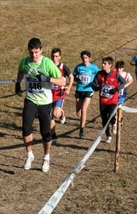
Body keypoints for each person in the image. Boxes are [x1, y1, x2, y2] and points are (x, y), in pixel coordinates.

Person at [14, 38, 65, 173]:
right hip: (31, 100)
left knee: (45, 133)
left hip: (45, 103)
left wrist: (48, 79)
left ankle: (46, 157)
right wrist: (17, 84)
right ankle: (29, 154)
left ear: (41, 50)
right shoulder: (24, 62)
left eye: (36, 52)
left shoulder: (47, 64)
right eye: (31, 52)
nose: (34, 55)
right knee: (25, 129)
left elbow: (62, 82)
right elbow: (20, 71)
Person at [92, 57, 126, 144]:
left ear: (110, 65)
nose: (102, 65)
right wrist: (97, 87)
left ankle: (114, 123)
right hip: (103, 100)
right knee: (104, 119)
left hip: (113, 100)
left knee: (111, 116)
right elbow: (94, 84)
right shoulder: (99, 74)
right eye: (102, 63)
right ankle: (108, 135)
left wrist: (116, 89)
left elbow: (123, 82)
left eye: (105, 64)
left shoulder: (115, 74)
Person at [73, 50, 100, 139]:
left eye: (86, 58)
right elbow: (73, 76)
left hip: (89, 90)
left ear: (89, 58)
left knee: (84, 110)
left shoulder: (93, 67)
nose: (84, 60)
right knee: (78, 112)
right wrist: (76, 79)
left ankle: (81, 130)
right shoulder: (78, 67)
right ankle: (82, 121)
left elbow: (100, 74)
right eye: (83, 58)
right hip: (79, 90)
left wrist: (97, 83)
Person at [50, 48, 74, 145]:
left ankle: (61, 113)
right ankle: (53, 135)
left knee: (56, 114)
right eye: (53, 56)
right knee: (50, 117)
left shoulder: (63, 67)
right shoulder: (48, 66)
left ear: (60, 57)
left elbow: (71, 77)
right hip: (48, 94)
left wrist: (69, 87)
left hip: (59, 94)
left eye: (56, 56)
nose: (54, 58)